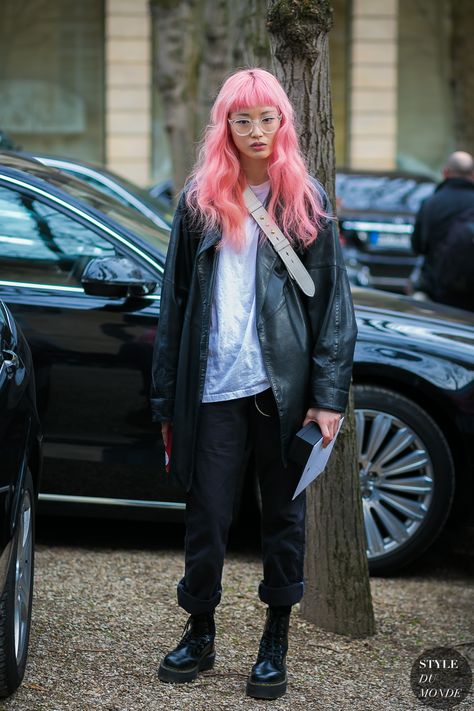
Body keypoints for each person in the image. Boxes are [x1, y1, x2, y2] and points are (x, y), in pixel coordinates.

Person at [150, 67, 357, 700]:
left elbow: (333, 311)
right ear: (227, 127)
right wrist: (166, 400)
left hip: (284, 394)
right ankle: (201, 628)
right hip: (213, 391)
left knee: (284, 521)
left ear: (283, 123)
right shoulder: (199, 201)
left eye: (267, 118)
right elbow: (173, 307)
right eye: (243, 120)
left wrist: (326, 398)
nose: (257, 131)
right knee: (207, 516)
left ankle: (275, 640)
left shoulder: (304, 199)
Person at [411, 151, 474, 310]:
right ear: (472, 174)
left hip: (438, 292)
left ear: (445, 172)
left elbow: (418, 246)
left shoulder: (431, 203)